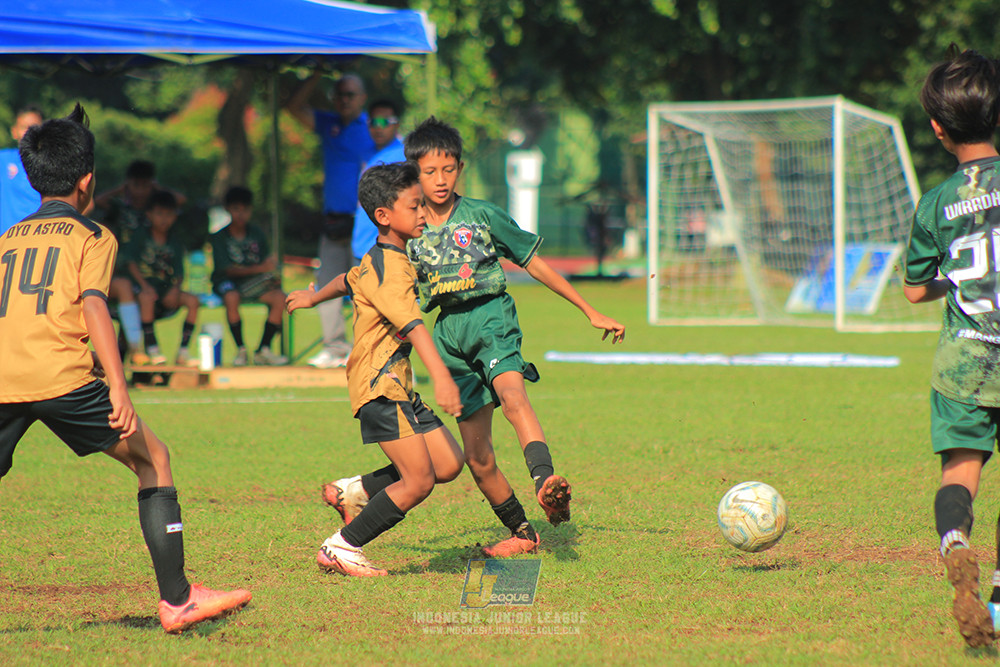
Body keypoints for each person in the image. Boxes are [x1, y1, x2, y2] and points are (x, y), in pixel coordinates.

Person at [321, 117, 626, 558]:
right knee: (476, 459)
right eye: (429, 172)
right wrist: (313, 297)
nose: (440, 180)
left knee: (513, 396)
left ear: (460, 168)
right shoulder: (410, 231)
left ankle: (545, 481)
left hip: (491, 320)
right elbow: (360, 275)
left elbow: (534, 262)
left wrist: (589, 310)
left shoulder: (481, 215)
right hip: (448, 337)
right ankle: (523, 532)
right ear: (413, 174)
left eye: (449, 169)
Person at [0, 104, 251, 633]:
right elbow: (94, 306)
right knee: (153, 458)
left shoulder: (7, 239)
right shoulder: (93, 236)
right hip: (61, 379)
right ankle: (178, 600)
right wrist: (118, 384)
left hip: (5, 377)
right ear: (87, 180)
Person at [286, 162, 463, 576]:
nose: (422, 213)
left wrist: (313, 298)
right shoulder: (391, 269)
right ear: (384, 215)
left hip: (396, 384)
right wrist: (442, 377)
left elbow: (348, 280)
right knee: (418, 481)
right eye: (414, 206)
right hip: (379, 384)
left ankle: (355, 490)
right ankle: (342, 546)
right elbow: (414, 325)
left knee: (447, 463)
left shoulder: (381, 258)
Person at [903, 47, 1000, 649]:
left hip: (965, 362)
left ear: (939, 129)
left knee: (959, 474)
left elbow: (916, 290)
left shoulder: (935, 203)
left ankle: (955, 542)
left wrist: (952, 282)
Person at [286, 71, 375, 369]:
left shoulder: (372, 128)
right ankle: (335, 347)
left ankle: (367, 348)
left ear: (362, 98)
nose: (344, 100)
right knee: (326, 283)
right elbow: (293, 108)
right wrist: (316, 73)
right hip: (334, 219)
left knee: (365, 285)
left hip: (365, 221)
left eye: (350, 95)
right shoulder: (329, 123)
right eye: (339, 95)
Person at [94, 160, 187, 364]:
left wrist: (157, 188)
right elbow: (98, 201)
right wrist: (122, 189)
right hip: (121, 269)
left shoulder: (155, 208)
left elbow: (181, 200)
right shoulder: (121, 208)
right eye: (136, 185)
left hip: (144, 274)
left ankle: (137, 356)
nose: (140, 191)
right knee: (126, 291)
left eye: (145, 185)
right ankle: (136, 351)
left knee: (136, 306)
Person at [209, 185, 288, 366]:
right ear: (228, 209)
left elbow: (266, 262)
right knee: (231, 297)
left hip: (253, 284)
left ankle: (264, 349)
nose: (241, 214)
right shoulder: (220, 237)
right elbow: (227, 270)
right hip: (228, 283)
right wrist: (260, 269)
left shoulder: (256, 233)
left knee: (280, 297)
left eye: (245, 210)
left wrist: (271, 274)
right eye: (236, 209)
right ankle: (241, 350)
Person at [123, 190, 200, 366]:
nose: (164, 219)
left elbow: (179, 272)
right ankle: (153, 349)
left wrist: (175, 290)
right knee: (147, 297)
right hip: (141, 289)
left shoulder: (175, 240)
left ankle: (183, 352)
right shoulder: (140, 235)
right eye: (159, 214)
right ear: (149, 215)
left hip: (164, 289)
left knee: (193, 301)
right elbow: (131, 263)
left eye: (169, 214)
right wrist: (144, 285)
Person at [351, 99, 406, 261]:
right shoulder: (366, 154)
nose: (378, 127)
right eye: (373, 122)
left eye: (384, 122)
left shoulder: (404, 156)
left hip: (387, 250)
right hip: (361, 248)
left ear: (396, 124)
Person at [0, 105, 43, 236]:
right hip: (7, 242)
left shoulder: (52, 165)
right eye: (24, 127)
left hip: (40, 240)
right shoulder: (4, 160)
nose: (29, 132)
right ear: (14, 131)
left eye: (34, 128)